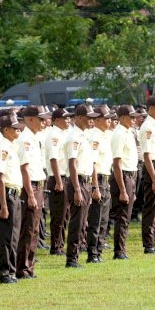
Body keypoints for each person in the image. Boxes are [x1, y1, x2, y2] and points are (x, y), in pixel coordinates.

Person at [65, 103, 99, 268]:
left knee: (83, 221)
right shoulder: (74, 136)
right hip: (77, 181)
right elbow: (72, 163)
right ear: (78, 118)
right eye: (88, 117)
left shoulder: (85, 135)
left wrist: (93, 186)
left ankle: (77, 255)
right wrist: (77, 188)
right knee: (77, 222)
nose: (91, 120)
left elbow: (90, 163)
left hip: (86, 181)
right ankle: (71, 259)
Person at [16, 106, 49, 278]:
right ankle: (22, 268)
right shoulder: (25, 140)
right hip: (31, 187)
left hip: (38, 185)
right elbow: (24, 169)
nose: (44, 122)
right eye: (40, 119)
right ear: (29, 119)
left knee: (35, 229)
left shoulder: (35, 138)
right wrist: (29, 194)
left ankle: (29, 265)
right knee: (28, 229)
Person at [0, 114, 23, 283]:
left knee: (14, 235)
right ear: (6, 130)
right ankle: (5, 272)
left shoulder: (11, 146)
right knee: (6, 236)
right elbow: (0, 178)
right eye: (14, 127)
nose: (18, 129)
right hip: (8, 195)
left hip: (15, 194)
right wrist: (3, 205)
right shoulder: (2, 148)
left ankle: (11, 270)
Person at [109, 105, 141, 259]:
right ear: (121, 117)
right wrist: (122, 189)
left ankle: (122, 249)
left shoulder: (128, 132)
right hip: (123, 176)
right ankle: (119, 251)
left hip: (131, 176)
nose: (134, 120)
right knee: (122, 216)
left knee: (126, 216)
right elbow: (117, 163)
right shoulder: (119, 134)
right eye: (131, 117)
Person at [86, 105, 114, 263]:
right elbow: (93, 164)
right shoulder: (95, 137)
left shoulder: (105, 136)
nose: (109, 121)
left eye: (110, 118)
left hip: (106, 179)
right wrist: (95, 187)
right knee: (96, 219)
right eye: (106, 118)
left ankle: (99, 250)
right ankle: (92, 253)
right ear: (97, 120)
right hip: (98, 180)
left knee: (104, 219)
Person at [138, 96, 155, 253]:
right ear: (151, 108)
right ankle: (149, 244)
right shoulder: (148, 126)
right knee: (151, 209)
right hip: (151, 168)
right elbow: (147, 156)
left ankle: (152, 241)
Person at [45, 108, 71, 256]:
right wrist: (59, 181)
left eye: (69, 118)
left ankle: (60, 243)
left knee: (65, 214)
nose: (68, 120)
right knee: (58, 215)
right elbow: (54, 159)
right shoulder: (54, 135)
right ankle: (56, 246)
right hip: (57, 178)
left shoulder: (64, 133)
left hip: (64, 176)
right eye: (64, 118)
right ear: (55, 120)